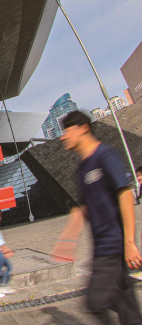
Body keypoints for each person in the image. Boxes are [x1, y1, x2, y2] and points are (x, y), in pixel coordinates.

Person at [52, 110, 142, 324]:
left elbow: (125, 195)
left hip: (113, 243)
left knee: (95, 302)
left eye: (67, 131)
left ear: (83, 128)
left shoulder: (105, 155)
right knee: (124, 303)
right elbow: (82, 207)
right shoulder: (82, 168)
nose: (63, 137)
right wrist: (67, 239)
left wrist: (129, 243)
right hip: (100, 245)